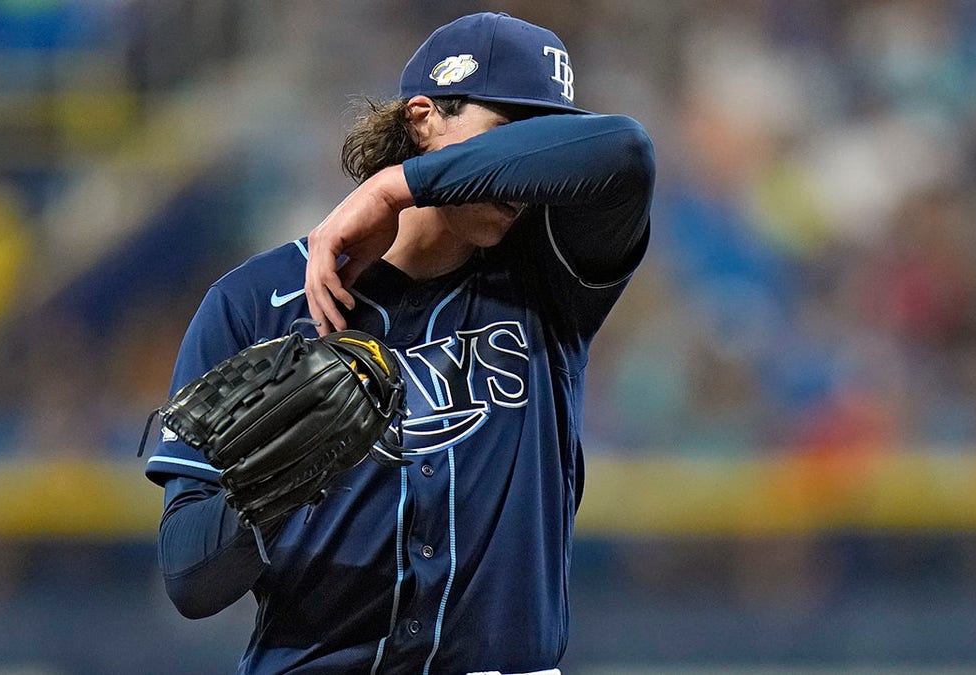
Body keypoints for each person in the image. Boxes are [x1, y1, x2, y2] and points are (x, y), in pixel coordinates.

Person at [144, 12, 655, 675]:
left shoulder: (552, 272)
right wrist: (266, 485)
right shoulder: (254, 303)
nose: (525, 170)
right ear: (422, 119)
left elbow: (625, 151)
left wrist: (399, 185)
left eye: (545, 137)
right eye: (510, 131)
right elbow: (190, 578)